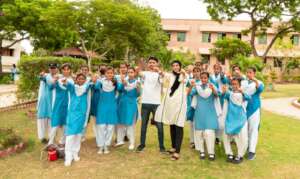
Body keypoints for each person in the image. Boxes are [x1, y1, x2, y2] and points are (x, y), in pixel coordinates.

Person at [155, 60, 187, 160]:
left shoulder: (183, 75)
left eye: (177, 65)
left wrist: (183, 72)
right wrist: (159, 71)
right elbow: (164, 75)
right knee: (172, 124)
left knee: (179, 125)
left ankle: (177, 152)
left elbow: (185, 77)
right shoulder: (170, 75)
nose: (175, 67)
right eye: (173, 65)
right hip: (171, 103)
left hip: (180, 104)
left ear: (180, 66)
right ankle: (173, 147)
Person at [136, 56, 166, 153]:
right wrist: (139, 66)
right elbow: (138, 72)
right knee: (143, 125)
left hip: (156, 103)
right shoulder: (145, 73)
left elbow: (163, 79)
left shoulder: (159, 74)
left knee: (159, 125)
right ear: (148, 64)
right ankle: (142, 144)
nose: (151, 64)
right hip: (145, 102)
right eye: (150, 62)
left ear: (157, 64)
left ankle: (161, 146)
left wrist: (159, 71)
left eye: (153, 62)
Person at [63, 73, 92, 167]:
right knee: (70, 136)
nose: (81, 80)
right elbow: (67, 84)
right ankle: (68, 157)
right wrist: (65, 82)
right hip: (72, 115)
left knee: (78, 135)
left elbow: (93, 83)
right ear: (76, 80)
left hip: (81, 115)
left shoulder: (86, 88)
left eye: (83, 79)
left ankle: (75, 153)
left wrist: (93, 78)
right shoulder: (73, 88)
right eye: (79, 79)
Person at [190, 72, 222, 161]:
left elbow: (218, 95)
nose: (203, 79)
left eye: (205, 78)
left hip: (210, 112)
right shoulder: (197, 87)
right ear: (200, 78)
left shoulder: (212, 86)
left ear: (208, 78)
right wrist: (192, 86)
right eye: (202, 78)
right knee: (199, 133)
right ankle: (202, 151)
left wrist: (213, 89)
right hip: (199, 112)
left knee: (209, 132)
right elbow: (191, 94)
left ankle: (211, 152)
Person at [222, 78, 250, 164]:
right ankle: (229, 153)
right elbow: (222, 95)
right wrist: (224, 91)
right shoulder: (229, 94)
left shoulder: (243, 94)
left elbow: (249, 98)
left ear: (239, 85)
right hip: (230, 119)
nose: (234, 86)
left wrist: (242, 91)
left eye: (236, 84)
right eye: (232, 84)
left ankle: (240, 155)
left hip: (241, 119)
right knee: (226, 136)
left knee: (243, 138)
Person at [94, 67, 122, 154]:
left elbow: (121, 89)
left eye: (111, 73)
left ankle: (106, 145)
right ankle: (100, 145)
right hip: (102, 106)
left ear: (113, 74)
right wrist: (96, 80)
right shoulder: (101, 81)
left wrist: (121, 81)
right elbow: (96, 87)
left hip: (112, 106)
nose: (109, 74)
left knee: (110, 127)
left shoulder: (115, 82)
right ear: (104, 73)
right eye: (107, 73)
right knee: (101, 126)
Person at [48, 63, 73, 146]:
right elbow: (50, 88)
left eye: (68, 69)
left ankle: (63, 141)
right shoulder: (58, 78)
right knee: (55, 122)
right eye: (64, 69)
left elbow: (73, 91)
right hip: (58, 104)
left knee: (65, 123)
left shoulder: (72, 80)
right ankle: (50, 142)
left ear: (70, 70)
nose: (66, 71)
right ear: (61, 70)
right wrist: (54, 81)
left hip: (68, 104)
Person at [116, 67, 140, 150]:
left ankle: (132, 142)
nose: (130, 74)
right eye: (128, 72)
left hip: (131, 104)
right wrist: (123, 83)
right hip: (122, 104)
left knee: (130, 124)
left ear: (134, 73)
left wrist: (137, 88)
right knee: (120, 123)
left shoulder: (137, 82)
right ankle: (119, 140)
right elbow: (119, 89)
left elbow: (138, 94)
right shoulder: (124, 80)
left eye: (131, 72)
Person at [244, 67, 264, 160]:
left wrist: (254, 80)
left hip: (254, 109)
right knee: (246, 129)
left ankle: (252, 151)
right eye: (247, 72)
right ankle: (247, 146)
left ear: (254, 73)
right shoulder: (244, 82)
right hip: (244, 109)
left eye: (250, 72)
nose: (248, 74)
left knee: (253, 129)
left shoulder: (259, 82)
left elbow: (259, 89)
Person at [37, 63, 58, 143]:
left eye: (54, 68)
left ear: (56, 69)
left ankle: (50, 137)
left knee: (51, 119)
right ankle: (42, 137)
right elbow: (41, 78)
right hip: (44, 101)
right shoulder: (46, 76)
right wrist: (41, 75)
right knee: (42, 118)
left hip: (53, 101)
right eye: (51, 68)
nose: (52, 69)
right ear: (49, 69)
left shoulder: (58, 77)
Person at [209, 63, 228, 145]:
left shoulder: (223, 76)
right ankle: (213, 135)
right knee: (214, 116)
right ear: (213, 69)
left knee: (221, 118)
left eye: (218, 69)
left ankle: (218, 137)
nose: (216, 70)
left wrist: (222, 76)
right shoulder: (211, 77)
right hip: (213, 97)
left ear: (220, 69)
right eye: (215, 68)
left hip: (221, 98)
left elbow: (225, 81)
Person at [186, 67, 201, 148]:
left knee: (199, 123)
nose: (196, 73)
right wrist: (191, 86)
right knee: (192, 123)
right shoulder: (190, 81)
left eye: (198, 71)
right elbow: (187, 93)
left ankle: (199, 140)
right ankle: (192, 141)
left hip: (201, 105)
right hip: (191, 104)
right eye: (194, 71)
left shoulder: (203, 81)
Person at [80, 65, 92, 142]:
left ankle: (83, 135)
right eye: (83, 70)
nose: (84, 71)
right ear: (80, 70)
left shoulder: (90, 80)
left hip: (87, 100)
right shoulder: (78, 79)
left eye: (86, 70)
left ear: (88, 71)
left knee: (86, 117)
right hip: (79, 101)